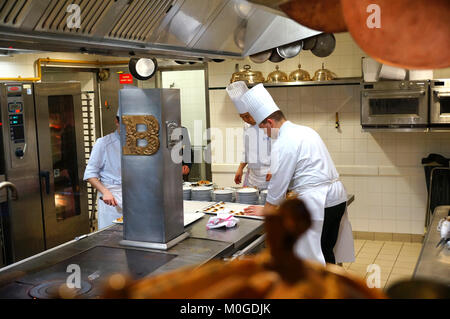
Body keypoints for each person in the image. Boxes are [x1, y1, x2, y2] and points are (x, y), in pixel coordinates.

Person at [240, 84, 355, 265]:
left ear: (269, 122)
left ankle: (320, 289)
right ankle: (331, 288)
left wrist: (268, 209)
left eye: (263, 129)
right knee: (326, 250)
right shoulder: (304, 130)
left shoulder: (284, 141)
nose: (265, 134)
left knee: (315, 255)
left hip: (320, 201)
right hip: (336, 198)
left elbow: (279, 181)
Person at [226, 81, 271, 190]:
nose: (246, 120)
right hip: (253, 177)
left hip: (270, 175)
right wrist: (240, 168)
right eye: (242, 117)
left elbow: (281, 150)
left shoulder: (270, 124)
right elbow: (246, 150)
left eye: (247, 116)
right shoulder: (247, 126)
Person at [84, 111, 122, 230]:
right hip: (111, 198)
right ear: (117, 121)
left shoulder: (139, 143)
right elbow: (90, 174)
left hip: (134, 196)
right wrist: (105, 192)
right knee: (112, 237)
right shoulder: (104, 143)